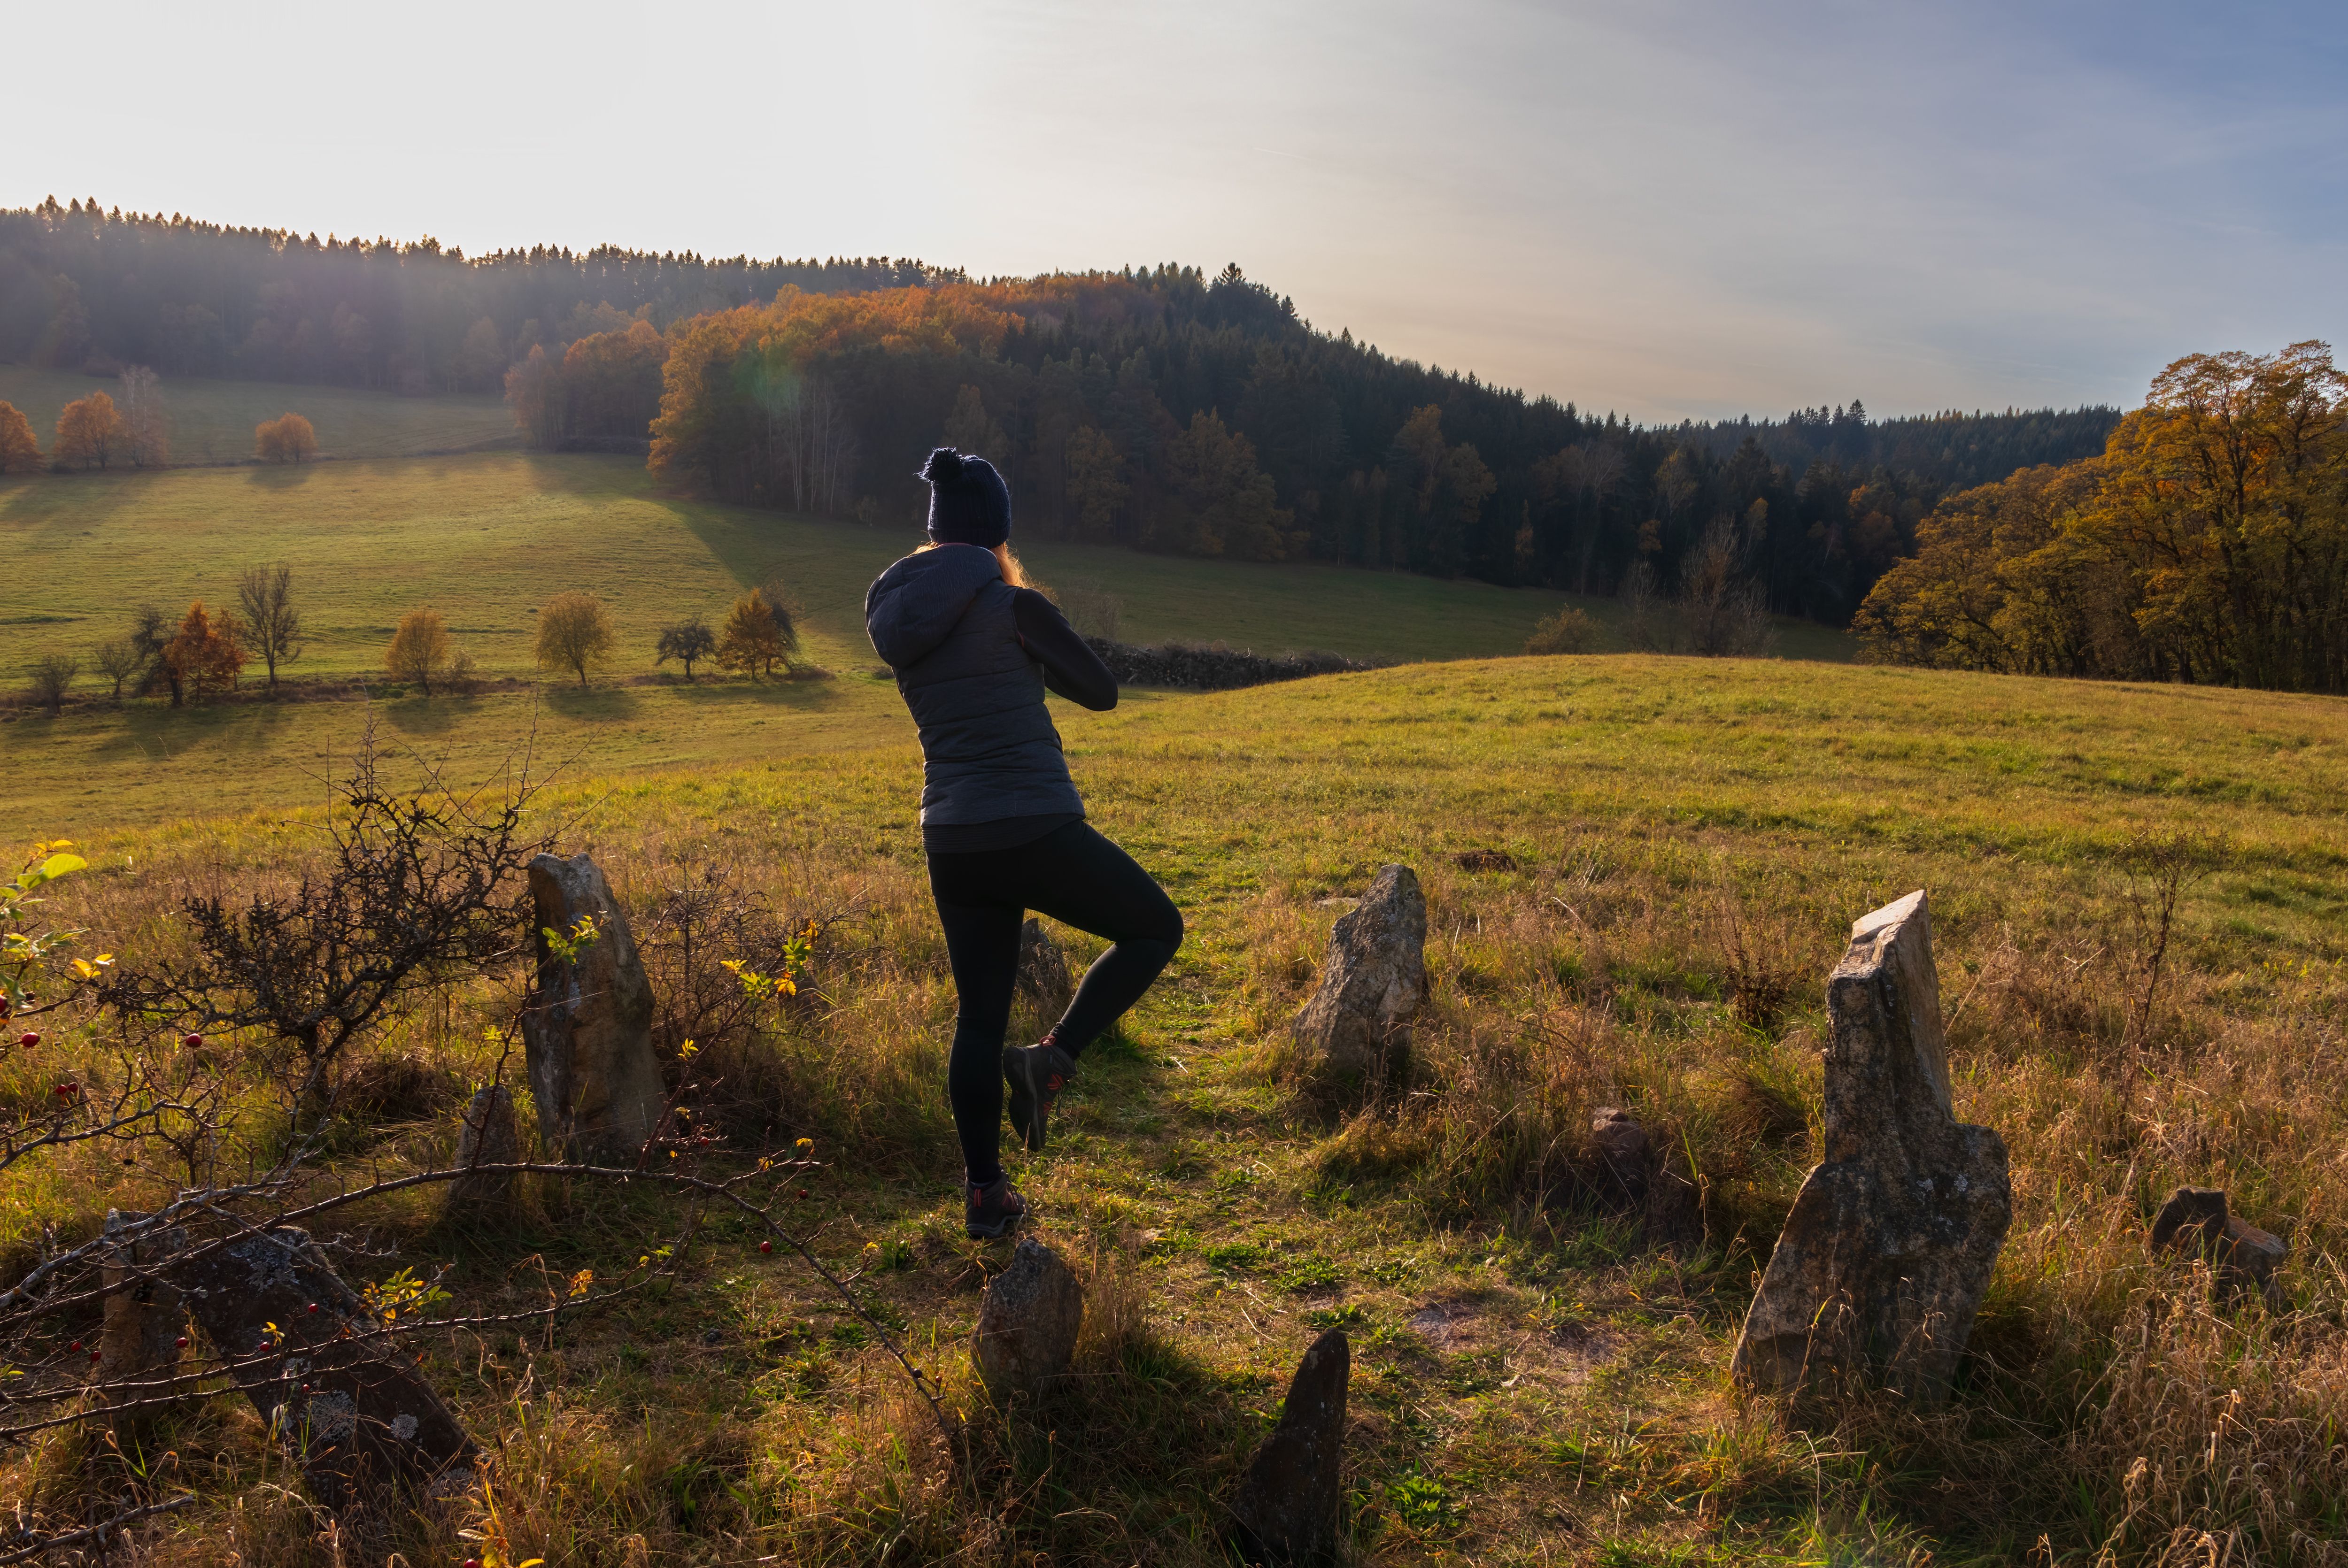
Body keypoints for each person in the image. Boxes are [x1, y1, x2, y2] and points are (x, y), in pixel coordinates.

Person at [865, 447, 1184, 1239]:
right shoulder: (1015, 606)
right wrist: (1036, 637)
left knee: (978, 1018)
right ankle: (1053, 1057)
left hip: (952, 838)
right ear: (998, 534)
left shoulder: (903, 616)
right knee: (1154, 928)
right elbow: (1103, 693)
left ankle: (985, 1195)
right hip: (1032, 823)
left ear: (934, 533)